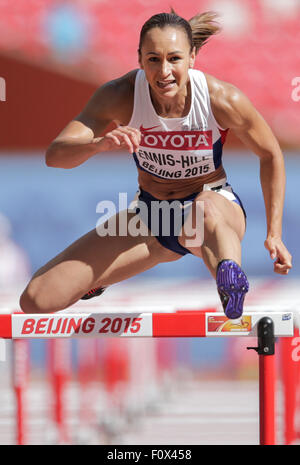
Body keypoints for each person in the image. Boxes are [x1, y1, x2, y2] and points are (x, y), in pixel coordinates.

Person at [19, 11, 292, 319]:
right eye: (153, 60)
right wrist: (100, 144)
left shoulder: (221, 99)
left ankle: (230, 282)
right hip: (153, 216)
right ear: (139, 60)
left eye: (174, 59)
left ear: (192, 57)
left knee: (204, 210)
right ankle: (102, 278)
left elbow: (270, 154)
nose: (164, 72)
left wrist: (274, 233)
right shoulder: (119, 95)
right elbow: (55, 155)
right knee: (37, 299)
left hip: (214, 208)